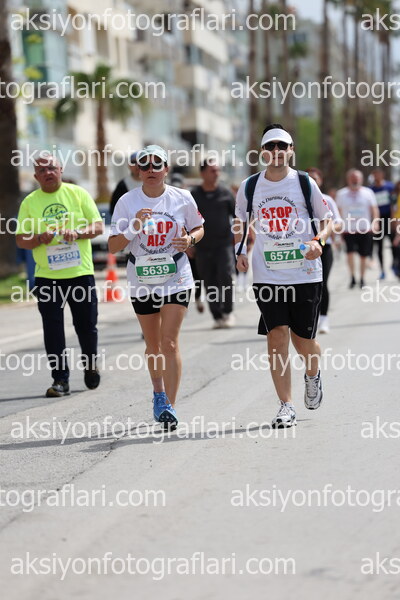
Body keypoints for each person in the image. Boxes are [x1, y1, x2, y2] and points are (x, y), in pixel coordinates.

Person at [235, 124, 332, 428]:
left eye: (282, 146)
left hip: (304, 273)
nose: (276, 151)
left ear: (291, 150)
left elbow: (328, 220)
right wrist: (240, 251)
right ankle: (286, 405)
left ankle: (313, 373)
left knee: (303, 341)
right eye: (270, 147)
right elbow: (240, 222)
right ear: (262, 152)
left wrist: (318, 242)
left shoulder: (304, 183)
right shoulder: (250, 186)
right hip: (268, 274)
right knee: (276, 336)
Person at [108, 145, 204, 428]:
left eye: (156, 164)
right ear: (138, 170)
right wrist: (133, 227)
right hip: (142, 277)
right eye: (145, 165)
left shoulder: (182, 197)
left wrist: (190, 240)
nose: (150, 170)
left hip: (176, 275)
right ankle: (159, 393)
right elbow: (113, 246)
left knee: (169, 342)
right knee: (153, 345)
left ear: (166, 169)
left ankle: (169, 408)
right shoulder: (127, 202)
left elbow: (199, 227)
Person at [15, 154, 104, 397]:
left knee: (87, 325)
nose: (48, 172)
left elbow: (97, 226)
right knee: (52, 329)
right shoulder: (30, 202)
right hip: (47, 276)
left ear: (61, 169)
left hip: (79, 272)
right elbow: (21, 240)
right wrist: (38, 238)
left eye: (52, 168)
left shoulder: (78, 194)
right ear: (36, 176)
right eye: (42, 170)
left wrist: (78, 232)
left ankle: (90, 366)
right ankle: (60, 380)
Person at [191, 160, 236, 328]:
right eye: (212, 170)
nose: (216, 173)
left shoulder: (226, 192)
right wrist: (189, 244)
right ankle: (217, 316)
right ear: (202, 173)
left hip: (224, 245)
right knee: (209, 281)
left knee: (225, 276)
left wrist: (243, 240)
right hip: (201, 247)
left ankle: (228, 312)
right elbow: (185, 220)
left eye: (218, 170)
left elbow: (238, 217)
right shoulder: (194, 195)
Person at [306, 168, 343, 334]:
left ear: (320, 180)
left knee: (322, 283)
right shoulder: (297, 198)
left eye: (315, 178)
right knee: (305, 285)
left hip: (323, 247)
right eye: (309, 178)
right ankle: (307, 319)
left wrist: (325, 232)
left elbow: (338, 223)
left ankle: (324, 318)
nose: (312, 181)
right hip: (303, 248)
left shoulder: (327, 199)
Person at [336, 169, 379, 289]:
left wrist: (375, 222)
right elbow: (338, 211)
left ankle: (362, 278)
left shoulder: (368, 192)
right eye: (352, 178)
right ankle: (352, 277)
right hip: (348, 229)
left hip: (364, 228)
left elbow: (374, 209)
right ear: (348, 179)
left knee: (363, 255)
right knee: (349, 254)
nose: (355, 180)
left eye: (357, 178)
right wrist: (338, 229)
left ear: (361, 179)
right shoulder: (341, 194)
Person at [370, 168, 395, 279]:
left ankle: (394, 265)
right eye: (375, 175)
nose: (377, 177)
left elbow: (394, 202)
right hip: (378, 221)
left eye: (378, 174)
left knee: (394, 244)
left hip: (389, 219)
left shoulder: (390, 187)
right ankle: (382, 270)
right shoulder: (371, 190)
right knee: (379, 247)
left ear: (382, 175)